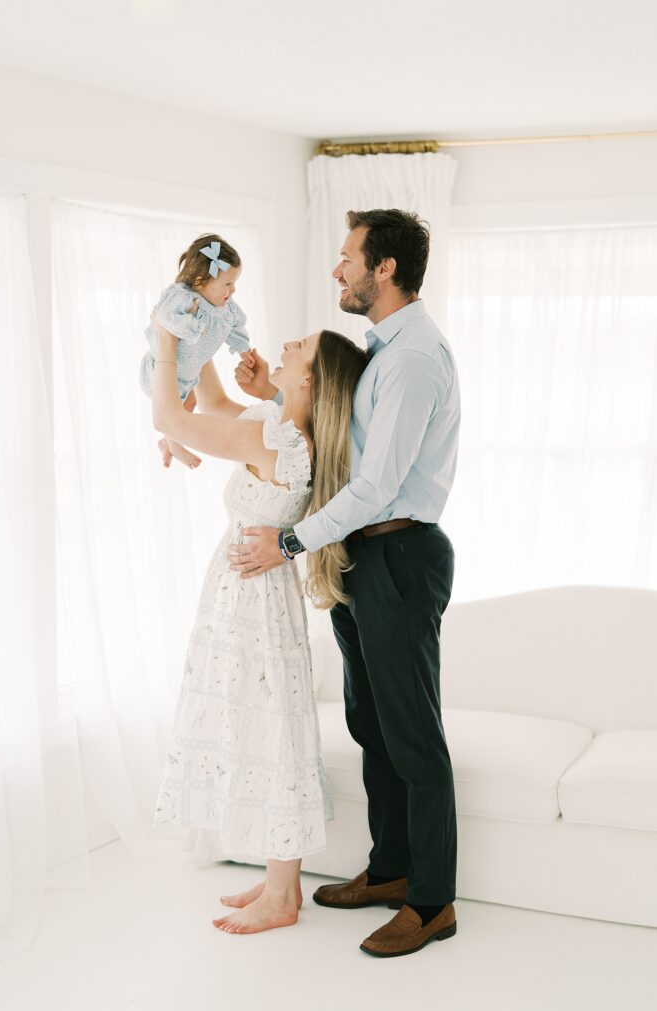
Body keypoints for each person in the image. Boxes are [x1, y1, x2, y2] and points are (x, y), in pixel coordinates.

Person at [230, 208, 461, 957]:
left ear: (384, 268)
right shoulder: (380, 351)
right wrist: (273, 393)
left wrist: (289, 542)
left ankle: (431, 903)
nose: (337, 269)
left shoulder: (413, 358)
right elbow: (334, 432)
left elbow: (377, 483)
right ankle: (391, 870)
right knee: (372, 727)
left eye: (347, 257)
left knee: (412, 736)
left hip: (399, 554)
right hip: (364, 556)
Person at [150, 313, 369, 935]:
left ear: (310, 381)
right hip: (247, 596)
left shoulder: (278, 445)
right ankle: (282, 884)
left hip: (252, 604)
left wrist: (167, 338)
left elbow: (173, 419)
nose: (288, 344)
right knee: (266, 729)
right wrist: (209, 336)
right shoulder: (281, 431)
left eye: (301, 349)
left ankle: (281, 896)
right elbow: (215, 404)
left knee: (271, 734)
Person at [139, 233, 252, 470]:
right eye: (228, 284)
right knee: (176, 415)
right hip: (165, 372)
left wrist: (243, 349)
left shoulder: (225, 306)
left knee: (190, 404)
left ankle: (167, 442)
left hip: (188, 375)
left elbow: (236, 324)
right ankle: (173, 444)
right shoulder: (182, 297)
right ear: (200, 281)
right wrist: (190, 327)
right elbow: (164, 316)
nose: (232, 290)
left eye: (234, 283)